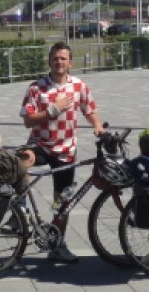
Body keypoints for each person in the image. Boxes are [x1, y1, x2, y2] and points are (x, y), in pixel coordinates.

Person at [19, 41, 103, 263]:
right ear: (49, 61)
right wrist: (53, 110)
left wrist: (97, 125)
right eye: (55, 58)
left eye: (63, 59)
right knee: (22, 162)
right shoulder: (36, 88)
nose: (59, 62)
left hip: (66, 149)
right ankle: (20, 210)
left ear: (70, 63)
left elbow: (89, 109)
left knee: (61, 202)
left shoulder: (78, 86)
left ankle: (57, 245)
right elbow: (28, 120)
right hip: (41, 144)